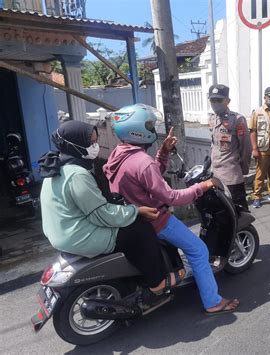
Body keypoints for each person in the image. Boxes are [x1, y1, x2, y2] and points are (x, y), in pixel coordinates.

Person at [103, 104, 240, 315]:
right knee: (198, 250)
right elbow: (171, 197)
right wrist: (202, 186)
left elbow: (148, 177)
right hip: (157, 220)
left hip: (135, 218)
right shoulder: (142, 161)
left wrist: (164, 152)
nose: (152, 128)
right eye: (149, 125)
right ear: (137, 129)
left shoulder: (118, 155)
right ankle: (213, 302)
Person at [38, 120, 180, 308]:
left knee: (131, 224)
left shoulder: (57, 166)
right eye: (90, 143)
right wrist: (135, 211)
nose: (95, 147)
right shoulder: (77, 175)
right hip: (78, 236)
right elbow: (102, 214)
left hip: (60, 233)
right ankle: (157, 283)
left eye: (95, 141)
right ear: (75, 144)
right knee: (141, 230)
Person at [208, 84, 251, 209]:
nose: (215, 103)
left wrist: (242, 169)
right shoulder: (212, 119)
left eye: (219, 100)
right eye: (212, 100)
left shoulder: (237, 120)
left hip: (231, 177)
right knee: (220, 213)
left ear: (228, 101)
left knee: (239, 213)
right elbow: (213, 145)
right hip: (215, 176)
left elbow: (246, 148)